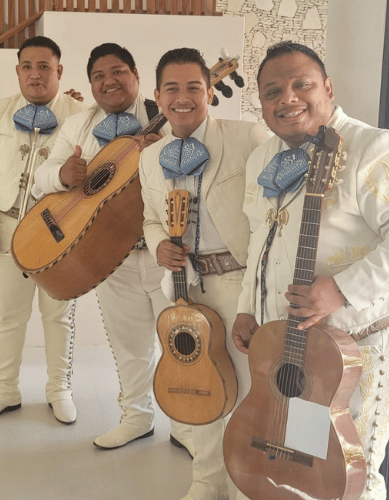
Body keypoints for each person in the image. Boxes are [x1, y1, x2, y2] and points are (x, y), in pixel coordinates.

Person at [232, 41, 389, 500]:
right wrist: (248, 307)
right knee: (306, 464)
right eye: (272, 91)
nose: (287, 99)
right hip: (293, 350)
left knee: (354, 473)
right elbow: (258, 240)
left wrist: (341, 289)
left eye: (302, 85)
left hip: (355, 348)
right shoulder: (264, 159)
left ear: (328, 88)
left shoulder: (371, 149)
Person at [34, 42, 194, 454]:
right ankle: (136, 418)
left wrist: (166, 150)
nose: (109, 81)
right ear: (90, 85)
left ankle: (186, 426)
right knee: (128, 346)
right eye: (99, 76)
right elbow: (41, 175)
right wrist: (62, 175)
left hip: (166, 253)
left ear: (137, 76)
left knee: (179, 343)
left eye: (118, 71)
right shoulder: (79, 127)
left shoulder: (167, 117)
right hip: (110, 256)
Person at [139, 48, 269, 500]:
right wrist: (158, 244)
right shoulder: (148, 158)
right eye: (171, 88)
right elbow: (149, 218)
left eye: (194, 87)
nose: (182, 97)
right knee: (199, 391)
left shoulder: (246, 136)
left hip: (238, 284)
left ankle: (241, 488)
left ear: (210, 92)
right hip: (184, 288)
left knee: (245, 393)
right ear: (157, 97)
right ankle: (206, 481)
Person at [0, 36, 87, 424]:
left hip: (60, 233)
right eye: (28, 67)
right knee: (10, 316)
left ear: (59, 71)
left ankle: (59, 390)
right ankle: (5, 391)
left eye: (45, 67)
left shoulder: (80, 115)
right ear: (18, 71)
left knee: (59, 316)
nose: (36, 75)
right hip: (4, 228)